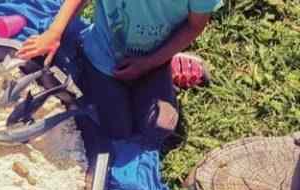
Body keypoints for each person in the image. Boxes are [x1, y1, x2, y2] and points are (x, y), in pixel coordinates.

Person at [17, 0, 220, 143]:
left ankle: (172, 63)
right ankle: (77, 50)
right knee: (116, 131)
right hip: (104, 54)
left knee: (159, 128)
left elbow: (195, 25)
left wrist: (149, 63)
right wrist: (54, 33)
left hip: (155, 58)